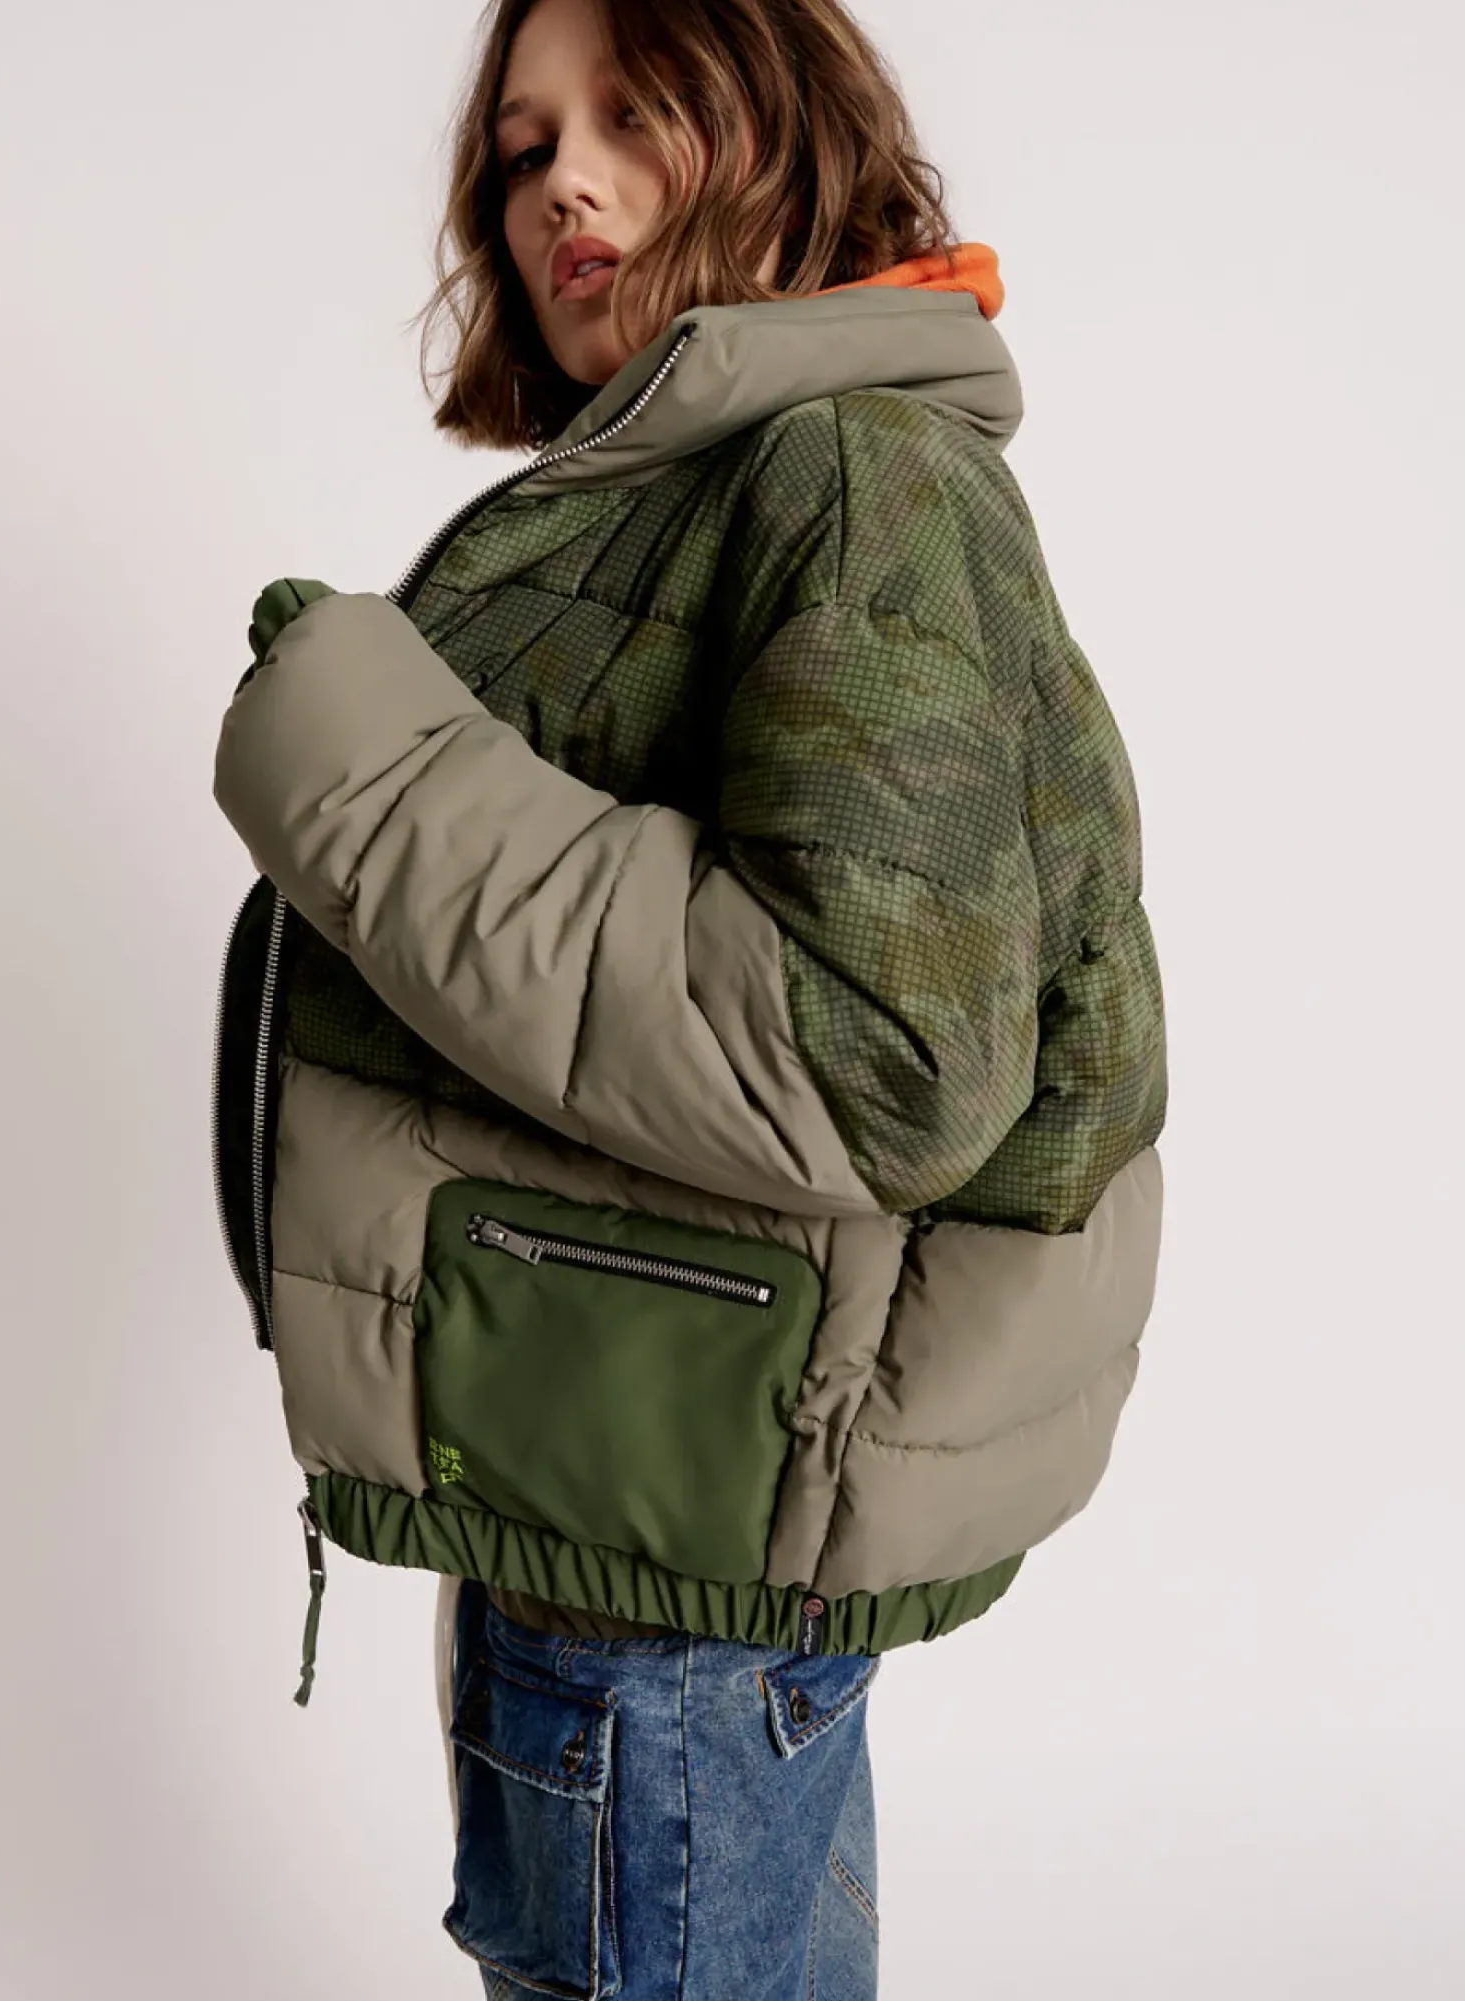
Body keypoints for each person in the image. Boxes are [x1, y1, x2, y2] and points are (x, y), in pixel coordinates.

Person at [211, 0, 1168, 1994]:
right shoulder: (730, 475)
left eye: (634, 114)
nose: (561, 180)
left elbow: (874, 1053)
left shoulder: (852, 473)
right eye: (522, 145)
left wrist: (371, 779)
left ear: (785, 126)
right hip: (641, 1490)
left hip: (668, 1587)